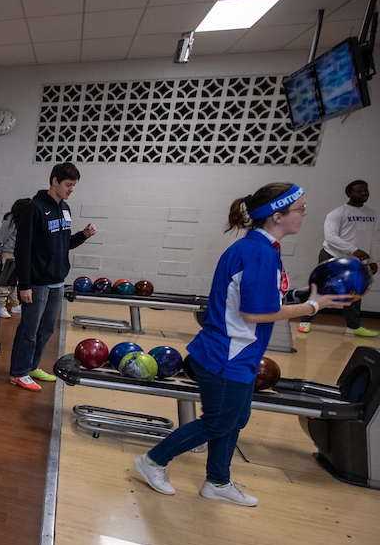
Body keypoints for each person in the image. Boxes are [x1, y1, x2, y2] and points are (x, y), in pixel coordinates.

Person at [132, 183, 354, 507]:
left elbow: (267, 297)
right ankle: (152, 461)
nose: (304, 214)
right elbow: (254, 313)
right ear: (277, 215)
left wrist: (308, 295)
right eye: (300, 209)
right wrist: (314, 307)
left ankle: (217, 482)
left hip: (239, 353)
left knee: (235, 419)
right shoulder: (259, 252)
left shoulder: (263, 249)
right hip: (227, 355)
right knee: (219, 421)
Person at [9, 163, 97, 392]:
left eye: (74, 186)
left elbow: (63, 243)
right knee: (29, 330)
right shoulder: (34, 208)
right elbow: (22, 249)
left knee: (46, 329)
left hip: (58, 281)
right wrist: (24, 285)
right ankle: (18, 372)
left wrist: (83, 236)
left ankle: (31, 367)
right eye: (68, 185)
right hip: (37, 282)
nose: (71, 190)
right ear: (55, 181)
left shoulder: (65, 208)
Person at [315, 180, 376, 336]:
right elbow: (330, 237)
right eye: (358, 191)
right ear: (349, 194)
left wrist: (372, 259)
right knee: (321, 289)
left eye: (365, 190)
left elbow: (370, 239)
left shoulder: (372, 214)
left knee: (355, 291)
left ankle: (353, 327)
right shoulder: (337, 213)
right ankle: (305, 320)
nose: (363, 193)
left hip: (355, 259)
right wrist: (353, 249)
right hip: (333, 255)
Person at [0, 198, 32, 318]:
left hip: (22, 254)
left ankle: (15, 305)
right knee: (6, 281)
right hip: (9, 253)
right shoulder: (11, 220)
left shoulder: (26, 220)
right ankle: (1, 307)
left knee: (16, 281)